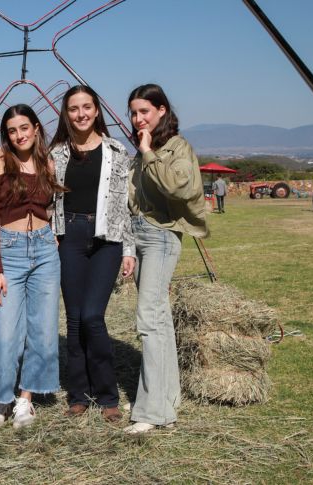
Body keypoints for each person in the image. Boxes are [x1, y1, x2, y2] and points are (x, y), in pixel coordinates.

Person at [125, 83, 209, 434]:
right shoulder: (145, 149)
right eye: (133, 112)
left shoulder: (176, 148)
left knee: (150, 318)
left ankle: (153, 411)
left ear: (161, 110)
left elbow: (178, 187)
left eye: (144, 111)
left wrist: (147, 153)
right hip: (140, 234)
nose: (137, 117)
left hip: (161, 237)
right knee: (159, 318)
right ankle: (166, 397)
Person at [49, 85, 135, 422]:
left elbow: (126, 206)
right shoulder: (56, 153)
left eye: (87, 107)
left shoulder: (116, 151)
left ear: (97, 110)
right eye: (74, 108)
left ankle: (107, 394)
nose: (81, 114)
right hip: (69, 236)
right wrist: (53, 232)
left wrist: (128, 248)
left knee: (92, 317)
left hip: (106, 240)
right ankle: (78, 395)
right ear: (66, 113)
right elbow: (46, 198)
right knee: (73, 320)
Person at [0, 104, 67, 429]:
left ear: (35, 128)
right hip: (10, 251)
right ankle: (1, 400)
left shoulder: (48, 163)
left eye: (24, 128)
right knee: (5, 333)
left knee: (43, 331)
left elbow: (54, 206)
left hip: (45, 251)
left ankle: (25, 399)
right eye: (12, 130)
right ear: (7, 134)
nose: (19, 135)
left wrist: (54, 237)